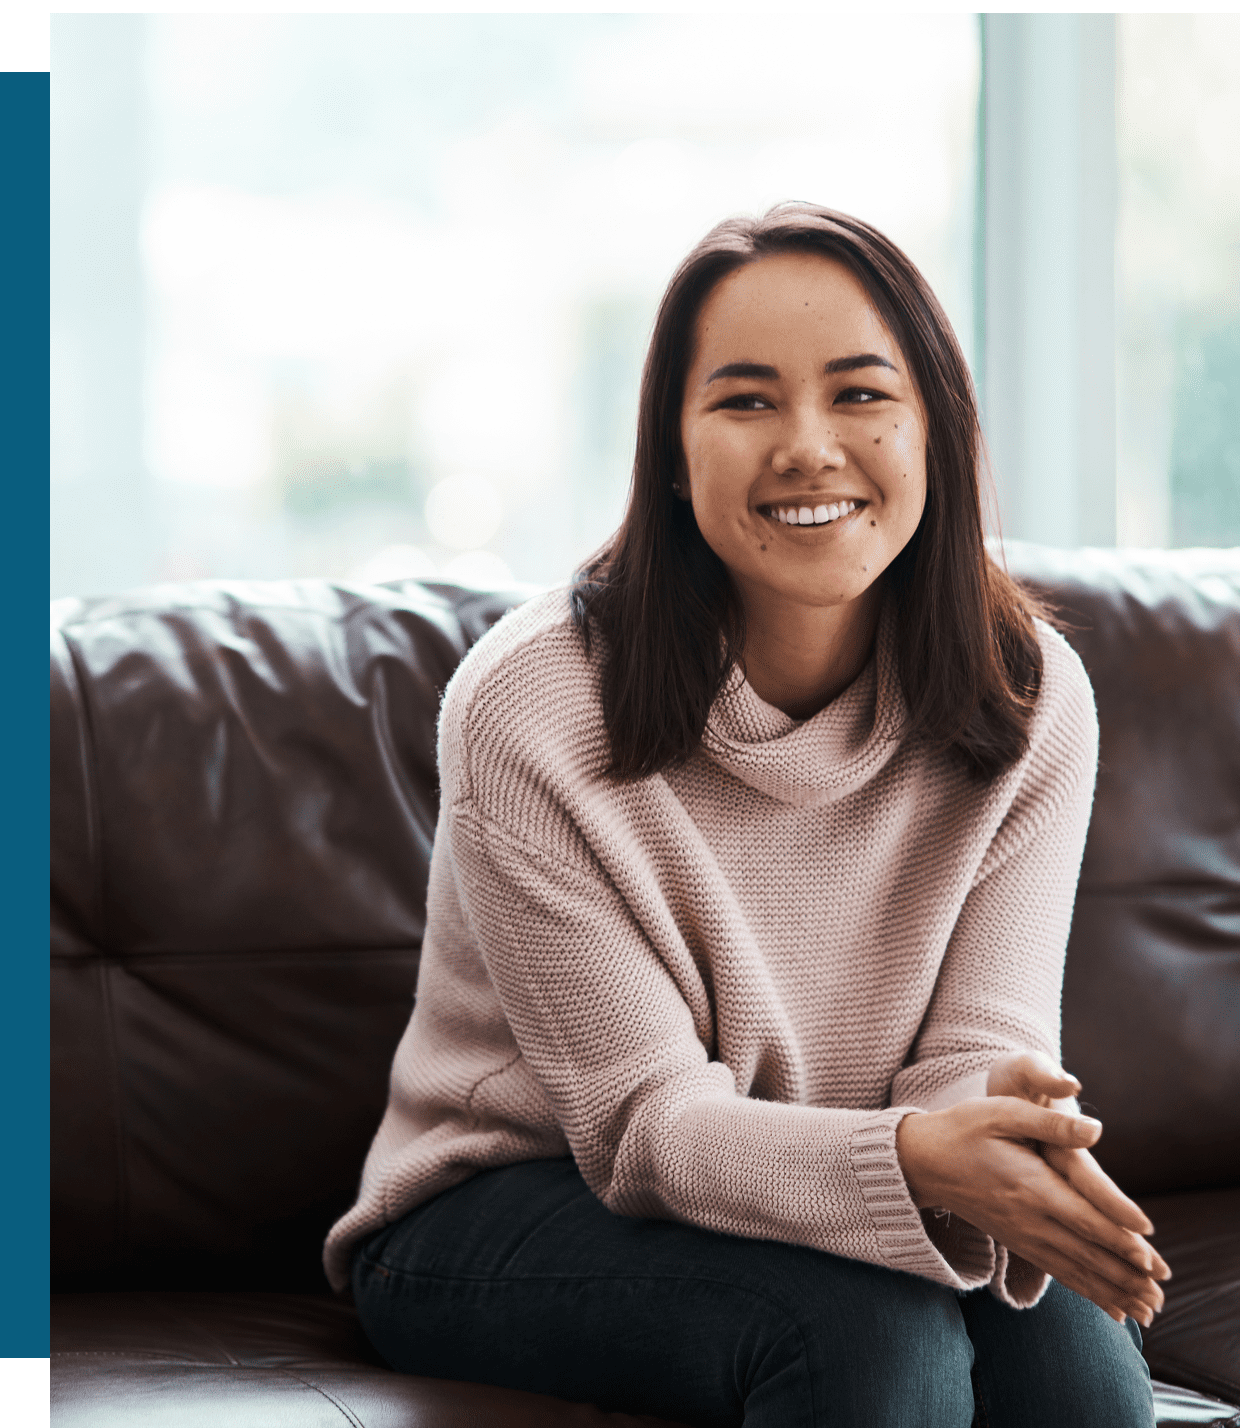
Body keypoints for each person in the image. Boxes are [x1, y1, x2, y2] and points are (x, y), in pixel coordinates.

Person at [324, 203, 1168, 1427]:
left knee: (1078, 1372)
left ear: (934, 431)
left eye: (862, 394)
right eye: (746, 401)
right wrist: (918, 1164)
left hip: (853, 1166)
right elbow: (642, 1130)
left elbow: (975, 1053)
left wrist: (1000, 1147)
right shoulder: (531, 708)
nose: (809, 447)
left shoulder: (1027, 693)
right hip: (508, 1201)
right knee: (869, 1343)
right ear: (672, 451)